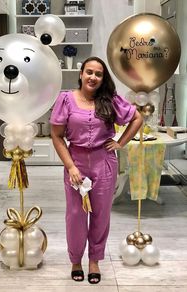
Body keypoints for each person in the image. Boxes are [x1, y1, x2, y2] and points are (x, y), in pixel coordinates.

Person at [50, 56, 143, 284]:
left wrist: (120, 142)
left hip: (105, 163)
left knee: (101, 215)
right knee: (75, 215)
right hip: (76, 163)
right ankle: (75, 261)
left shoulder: (109, 100)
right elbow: (56, 135)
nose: (93, 77)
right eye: (89, 72)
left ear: (103, 79)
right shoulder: (66, 100)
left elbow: (137, 118)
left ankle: (94, 261)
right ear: (81, 74)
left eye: (98, 74)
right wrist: (70, 166)